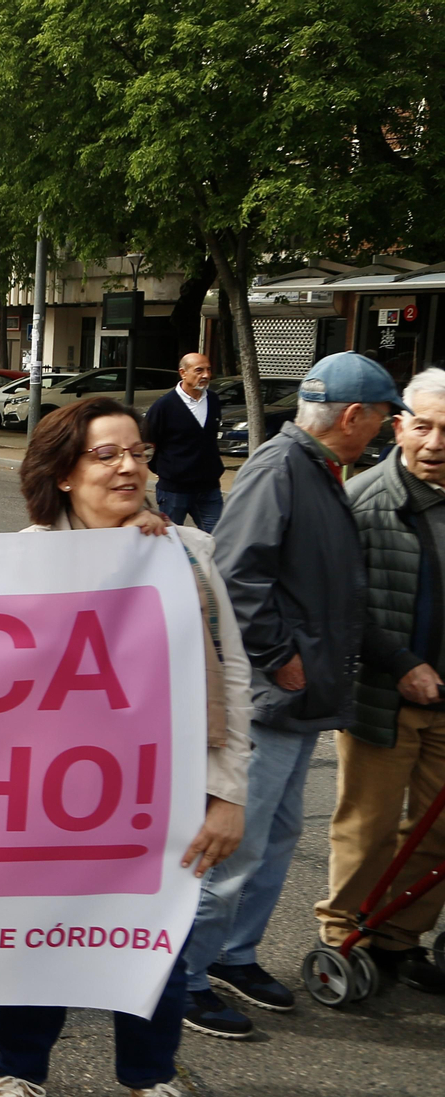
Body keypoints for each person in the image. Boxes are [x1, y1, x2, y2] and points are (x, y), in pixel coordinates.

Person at [0, 395, 249, 1097]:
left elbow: (231, 673)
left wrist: (229, 793)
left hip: (160, 796)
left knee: (154, 942)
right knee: (38, 939)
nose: (129, 466)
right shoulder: (20, 561)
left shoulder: (187, 553)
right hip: (45, 796)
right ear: (64, 472)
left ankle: (149, 1081)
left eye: (138, 451)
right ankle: (17, 1073)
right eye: (108, 454)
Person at [180, 351, 398, 1038]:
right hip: (276, 696)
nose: (387, 428)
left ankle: (233, 954)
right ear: (355, 416)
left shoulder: (317, 466)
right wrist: (283, 657)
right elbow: (237, 574)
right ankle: (185, 974)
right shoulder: (281, 468)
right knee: (236, 843)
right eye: (386, 415)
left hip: (302, 697)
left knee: (276, 836)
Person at [316, 365, 445, 992]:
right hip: (383, 696)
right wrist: (403, 664)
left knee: (436, 828)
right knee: (367, 825)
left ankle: (400, 937)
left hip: (444, 699)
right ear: (399, 427)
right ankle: (342, 933)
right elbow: (347, 606)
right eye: (423, 427)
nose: (436, 442)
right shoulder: (364, 500)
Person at [143, 354, 225, 531]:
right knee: (170, 541)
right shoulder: (163, 406)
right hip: (174, 490)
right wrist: (167, 471)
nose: (206, 375)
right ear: (183, 373)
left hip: (209, 488)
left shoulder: (213, 400)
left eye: (208, 369)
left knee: (218, 540)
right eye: (199, 370)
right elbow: (147, 445)